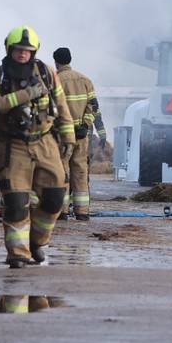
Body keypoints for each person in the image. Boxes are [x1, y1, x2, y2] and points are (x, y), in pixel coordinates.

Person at [0, 26, 76, 268]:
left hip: (45, 142)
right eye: (18, 50)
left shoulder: (47, 73)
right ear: (9, 49)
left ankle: (38, 242)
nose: (23, 54)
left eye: (27, 50)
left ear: (34, 52)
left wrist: (68, 138)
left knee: (55, 197)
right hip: (13, 146)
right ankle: (18, 254)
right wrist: (27, 94)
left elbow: (62, 106)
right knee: (16, 202)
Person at [53, 47, 106, 220]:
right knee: (81, 172)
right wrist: (86, 124)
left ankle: (62, 211)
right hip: (82, 135)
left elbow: (52, 109)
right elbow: (93, 106)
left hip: (63, 135)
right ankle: (82, 212)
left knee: (62, 172)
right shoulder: (86, 80)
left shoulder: (56, 80)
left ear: (56, 62)